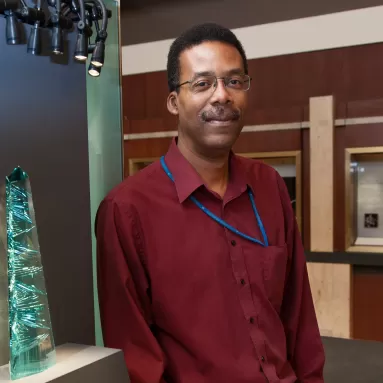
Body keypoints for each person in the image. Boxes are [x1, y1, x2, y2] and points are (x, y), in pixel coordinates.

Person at [96, 23, 325, 383]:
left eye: (234, 81)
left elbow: (299, 318)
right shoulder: (126, 210)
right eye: (202, 83)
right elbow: (136, 357)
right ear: (174, 101)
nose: (222, 96)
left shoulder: (270, 187)